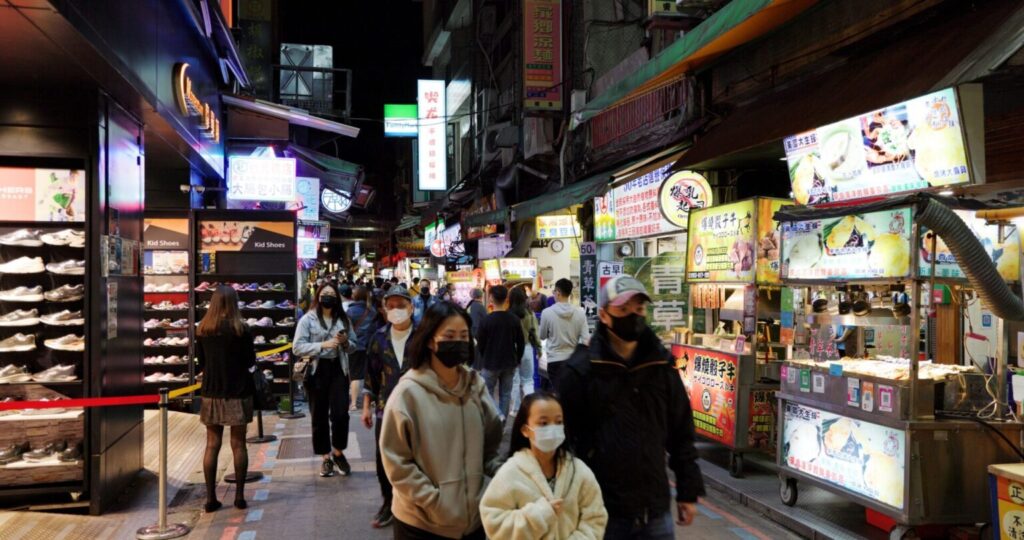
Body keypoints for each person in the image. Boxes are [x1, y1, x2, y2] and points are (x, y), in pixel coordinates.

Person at [558, 276, 704, 539]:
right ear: (604, 315)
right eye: (623, 310)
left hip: (654, 509)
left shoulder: (661, 367)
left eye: (638, 309)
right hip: (600, 512)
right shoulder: (581, 371)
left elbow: (681, 432)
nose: (633, 316)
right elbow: (564, 442)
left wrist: (687, 490)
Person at [380, 301, 503, 540]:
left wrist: (506, 478)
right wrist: (434, 501)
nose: (458, 342)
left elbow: (490, 447)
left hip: (474, 523)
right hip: (422, 525)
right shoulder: (408, 394)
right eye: (449, 335)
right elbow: (396, 462)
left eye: (464, 335)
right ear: (429, 340)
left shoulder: (475, 386)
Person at [480, 392, 607, 539]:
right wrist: (538, 516)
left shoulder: (579, 471)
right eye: (544, 423)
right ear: (525, 430)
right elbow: (495, 524)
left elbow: (596, 518)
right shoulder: (510, 473)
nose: (552, 429)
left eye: (558, 422)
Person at [195, 285, 256, 512]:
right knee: (239, 444)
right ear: (234, 303)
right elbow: (251, 361)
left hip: (211, 392)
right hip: (238, 392)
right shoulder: (241, 329)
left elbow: (201, 363)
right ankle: (239, 497)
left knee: (212, 444)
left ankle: (211, 498)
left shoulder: (203, 329)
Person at [362, 286, 416, 529]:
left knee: (416, 456)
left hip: (418, 408)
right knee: (384, 457)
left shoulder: (423, 337)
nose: (396, 310)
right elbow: (371, 375)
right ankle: (388, 503)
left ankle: (414, 503)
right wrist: (366, 407)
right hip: (386, 407)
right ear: (384, 310)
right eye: (391, 306)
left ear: (411, 308)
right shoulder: (379, 337)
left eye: (401, 305)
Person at [293, 282, 356, 477]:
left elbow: (354, 345)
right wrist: (322, 345)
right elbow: (297, 347)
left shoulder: (344, 319)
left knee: (340, 414)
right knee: (318, 415)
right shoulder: (307, 320)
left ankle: (338, 452)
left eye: (331, 294)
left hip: (338, 369)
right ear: (318, 297)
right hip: (316, 371)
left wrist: (346, 343)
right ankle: (325, 457)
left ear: (337, 298)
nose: (328, 296)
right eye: (324, 293)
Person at [476, 285, 525, 420]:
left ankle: (496, 417)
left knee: (487, 393)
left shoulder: (486, 320)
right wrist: (518, 359)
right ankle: (502, 423)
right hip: (509, 362)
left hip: (490, 362)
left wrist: (485, 355)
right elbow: (521, 342)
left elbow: (480, 343)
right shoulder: (514, 319)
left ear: (491, 298)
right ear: (506, 299)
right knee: (506, 394)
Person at [539, 279, 590, 387]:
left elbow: (542, 336)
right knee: (572, 396)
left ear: (557, 292)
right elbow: (586, 339)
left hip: (554, 361)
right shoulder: (580, 313)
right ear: (570, 293)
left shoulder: (547, 313)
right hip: (574, 361)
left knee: (558, 395)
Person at [509, 287, 540, 414]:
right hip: (526, 348)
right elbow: (534, 333)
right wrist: (538, 348)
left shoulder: (508, 314)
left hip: (512, 350)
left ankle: (515, 409)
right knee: (528, 380)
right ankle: (530, 408)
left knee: (514, 381)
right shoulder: (530, 314)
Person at [347, 285, 377, 412]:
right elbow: (375, 330)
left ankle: (353, 403)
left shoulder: (350, 311)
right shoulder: (372, 311)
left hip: (354, 346)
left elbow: (346, 330)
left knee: (355, 375)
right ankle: (372, 401)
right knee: (370, 374)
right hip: (370, 346)